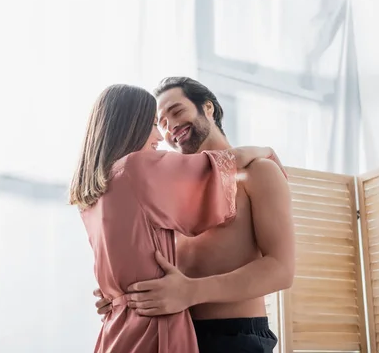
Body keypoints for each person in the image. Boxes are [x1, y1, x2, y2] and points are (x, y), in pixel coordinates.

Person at [69, 84, 284, 353]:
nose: (164, 131)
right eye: (157, 122)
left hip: (230, 335)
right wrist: (119, 295)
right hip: (169, 331)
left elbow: (282, 269)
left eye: (176, 111)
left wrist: (124, 297)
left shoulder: (258, 173)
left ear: (208, 107)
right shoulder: (150, 179)